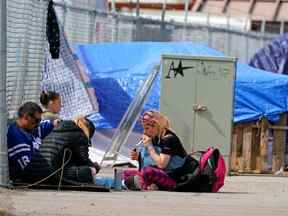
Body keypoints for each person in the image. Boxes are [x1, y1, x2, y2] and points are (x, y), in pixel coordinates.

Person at [17, 115, 101, 185]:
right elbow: (83, 160)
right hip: (49, 174)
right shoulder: (80, 135)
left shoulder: (56, 129)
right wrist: (95, 167)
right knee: (89, 171)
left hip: (30, 174)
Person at [122, 110, 188, 191]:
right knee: (125, 173)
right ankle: (145, 184)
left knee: (148, 172)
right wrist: (138, 157)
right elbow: (153, 160)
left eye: (147, 128)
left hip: (175, 176)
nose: (145, 131)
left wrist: (149, 146)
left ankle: (145, 184)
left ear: (156, 126)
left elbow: (161, 164)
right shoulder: (154, 136)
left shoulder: (168, 138)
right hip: (161, 173)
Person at [7, 102, 59, 181]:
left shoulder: (30, 127)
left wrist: (58, 123)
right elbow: (30, 170)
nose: (38, 123)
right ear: (26, 117)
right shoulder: (16, 137)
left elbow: (50, 125)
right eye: (37, 120)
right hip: (30, 178)